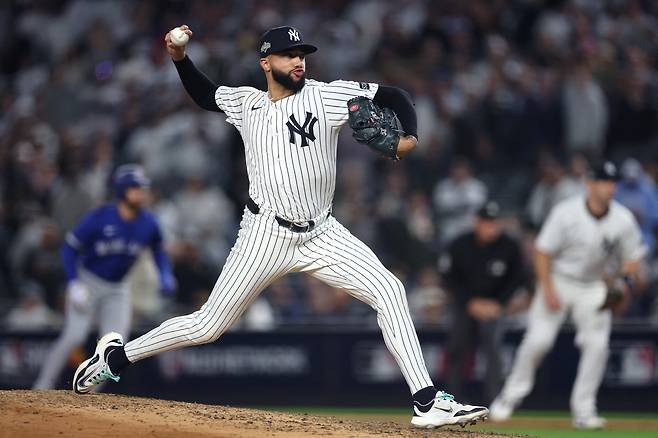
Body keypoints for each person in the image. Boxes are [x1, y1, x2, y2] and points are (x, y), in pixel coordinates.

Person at [70, 25, 488, 428]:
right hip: (264, 235)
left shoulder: (328, 95)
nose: (299, 61)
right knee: (207, 326)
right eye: (289, 55)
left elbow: (396, 95)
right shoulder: (247, 103)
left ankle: (427, 401)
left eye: (302, 54)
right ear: (266, 62)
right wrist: (180, 58)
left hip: (322, 233)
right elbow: (204, 94)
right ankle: (114, 359)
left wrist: (408, 140)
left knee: (390, 290)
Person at [489, 162, 646, 429]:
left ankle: (584, 411)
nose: (610, 187)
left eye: (612, 182)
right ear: (590, 184)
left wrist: (623, 285)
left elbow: (632, 259)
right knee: (538, 341)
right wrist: (547, 289)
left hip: (594, 285)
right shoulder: (567, 213)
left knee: (596, 345)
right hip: (559, 279)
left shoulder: (622, 219)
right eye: (604, 181)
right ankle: (507, 399)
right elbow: (542, 252)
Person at [33, 164, 176, 389]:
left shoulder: (149, 223)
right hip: (89, 281)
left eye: (142, 188)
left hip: (118, 288)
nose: (141, 192)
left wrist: (165, 275)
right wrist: (73, 283)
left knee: (115, 346)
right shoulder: (100, 217)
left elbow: (158, 250)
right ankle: (41, 386)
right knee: (74, 336)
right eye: (135, 188)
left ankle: (91, 393)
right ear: (122, 190)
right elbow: (69, 249)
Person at [440, 201, 526, 403]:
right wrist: (470, 302)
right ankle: (450, 401)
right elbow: (449, 278)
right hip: (465, 306)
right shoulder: (460, 244)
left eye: (494, 222)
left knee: (494, 353)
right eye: (486, 222)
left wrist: (499, 303)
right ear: (477, 222)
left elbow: (517, 278)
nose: (490, 226)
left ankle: (496, 402)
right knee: (456, 349)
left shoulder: (509, 246)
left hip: (494, 307)